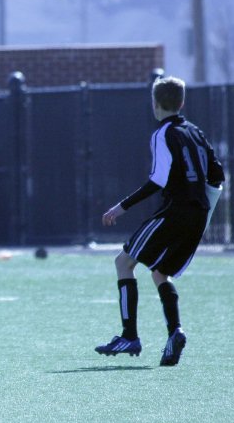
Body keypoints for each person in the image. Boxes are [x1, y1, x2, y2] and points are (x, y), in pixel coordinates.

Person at [95, 75, 224, 366]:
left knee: (123, 262)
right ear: (182, 102)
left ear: (155, 104)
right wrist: (203, 211)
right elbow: (217, 176)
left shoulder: (162, 134)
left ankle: (129, 335)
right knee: (159, 273)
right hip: (198, 212)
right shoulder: (195, 132)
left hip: (175, 210)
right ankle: (174, 332)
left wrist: (121, 207)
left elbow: (158, 180)